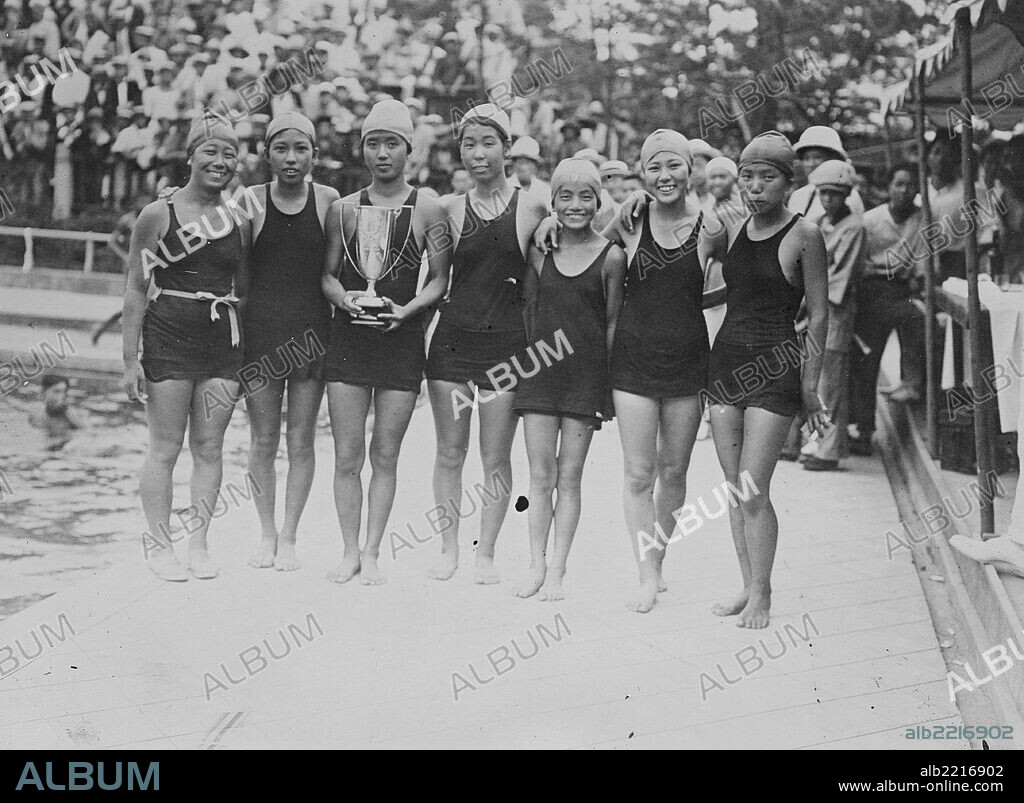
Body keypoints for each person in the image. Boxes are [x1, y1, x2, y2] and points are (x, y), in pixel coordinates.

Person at [701, 131, 830, 628]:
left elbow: (818, 316)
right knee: (734, 490)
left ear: (788, 183)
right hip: (726, 363)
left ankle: (764, 593)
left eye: (767, 177)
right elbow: (729, 292)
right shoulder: (730, 231)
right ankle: (747, 584)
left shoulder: (805, 235)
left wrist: (810, 386)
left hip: (776, 368)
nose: (754, 187)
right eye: (747, 177)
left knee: (754, 489)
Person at [322, 99, 450, 585]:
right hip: (350, 341)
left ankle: (374, 550)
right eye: (373, 143)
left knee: (386, 454)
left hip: (402, 339)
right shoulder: (344, 209)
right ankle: (349, 549)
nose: (382, 153)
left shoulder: (428, 207)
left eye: (391, 143)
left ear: (409, 149)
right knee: (347, 454)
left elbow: (439, 281)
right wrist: (350, 302)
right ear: (363, 149)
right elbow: (328, 277)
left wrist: (407, 311)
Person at [122, 113, 251, 582]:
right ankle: (160, 546)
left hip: (221, 341)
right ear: (191, 156)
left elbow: (247, 286)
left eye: (229, 154)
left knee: (210, 446)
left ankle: (199, 545)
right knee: (164, 447)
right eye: (211, 152)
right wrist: (129, 358)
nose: (220, 162)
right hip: (169, 336)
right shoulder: (159, 214)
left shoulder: (238, 218)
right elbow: (137, 287)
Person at [588, 130, 712, 613]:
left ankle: (658, 558)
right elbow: (584, 253)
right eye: (654, 168)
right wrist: (544, 231)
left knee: (674, 471)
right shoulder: (629, 222)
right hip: (634, 362)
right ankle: (647, 572)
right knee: (640, 472)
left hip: (687, 363)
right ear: (643, 173)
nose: (664, 177)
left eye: (674, 166)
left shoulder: (710, 228)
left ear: (689, 170)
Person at [424, 103, 548, 583]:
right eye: (469, 145)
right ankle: (448, 546)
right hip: (452, 347)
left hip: (507, 349)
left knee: (495, 456)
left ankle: (487, 553)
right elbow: (434, 282)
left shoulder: (534, 206)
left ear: (508, 149)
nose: (479, 154)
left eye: (489, 143)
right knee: (449, 453)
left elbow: (567, 255)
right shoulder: (448, 209)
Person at [513, 158, 625, 600]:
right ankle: (536, 563)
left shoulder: (612, 256)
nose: (576, 205)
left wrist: (607, 384)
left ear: (599, 202)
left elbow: (613, 322)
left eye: (585, 196)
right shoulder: (542, 249)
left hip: (585, 377)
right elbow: (528, 307)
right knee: (539, 476)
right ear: (554, 201)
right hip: (540, 375)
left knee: (570, 477)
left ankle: (559, 568)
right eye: (565, 196)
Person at [242, 112, 340, 572]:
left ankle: (290, 535)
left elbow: (335, 272)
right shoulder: (249, 201)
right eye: (281, 149)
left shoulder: (329, 201)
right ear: (266, 155)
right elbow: (230, 264)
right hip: (261, 335)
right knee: (263, 440)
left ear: (315, 156)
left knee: (301, 441)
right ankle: (265, 531)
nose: (291, 158)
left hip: (310, 336)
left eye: (301, 149)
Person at [850, 162, 928, 453]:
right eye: (899, 183)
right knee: (866, 362)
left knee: (915, 318)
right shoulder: (871, 220)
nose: (905, 191)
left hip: (901, 290)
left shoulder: (921, 219)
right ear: (889, 186)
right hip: (872, 289)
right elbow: (859, 262)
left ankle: (911, 382)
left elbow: (921, 263)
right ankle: (864, 429)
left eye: (911, 185)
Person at [799, 160, 864, 471]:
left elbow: (842, 276)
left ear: (846, 194)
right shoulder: (821, 221)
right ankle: (814, 443)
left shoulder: (854, 227)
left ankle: (829, 449)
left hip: (834, 311)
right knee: (814, 379)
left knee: (831, 382)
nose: (828, 199)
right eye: (824, 193)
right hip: (814, 310)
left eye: (835, 194)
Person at [93, 195, 151, 346]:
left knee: (146, 304)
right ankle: (104, 329)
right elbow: (112, 241)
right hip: (132, 268)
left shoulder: (152, 219)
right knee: (134, 304)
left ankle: (103, 329)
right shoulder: (127, 220)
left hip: (149, 266)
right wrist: (125, 257)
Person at [787, 126, 864, 222]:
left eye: (817, 157)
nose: (810, 164)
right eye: (806, 158)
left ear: (834, 159)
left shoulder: (848, 197)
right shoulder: (798, 196)